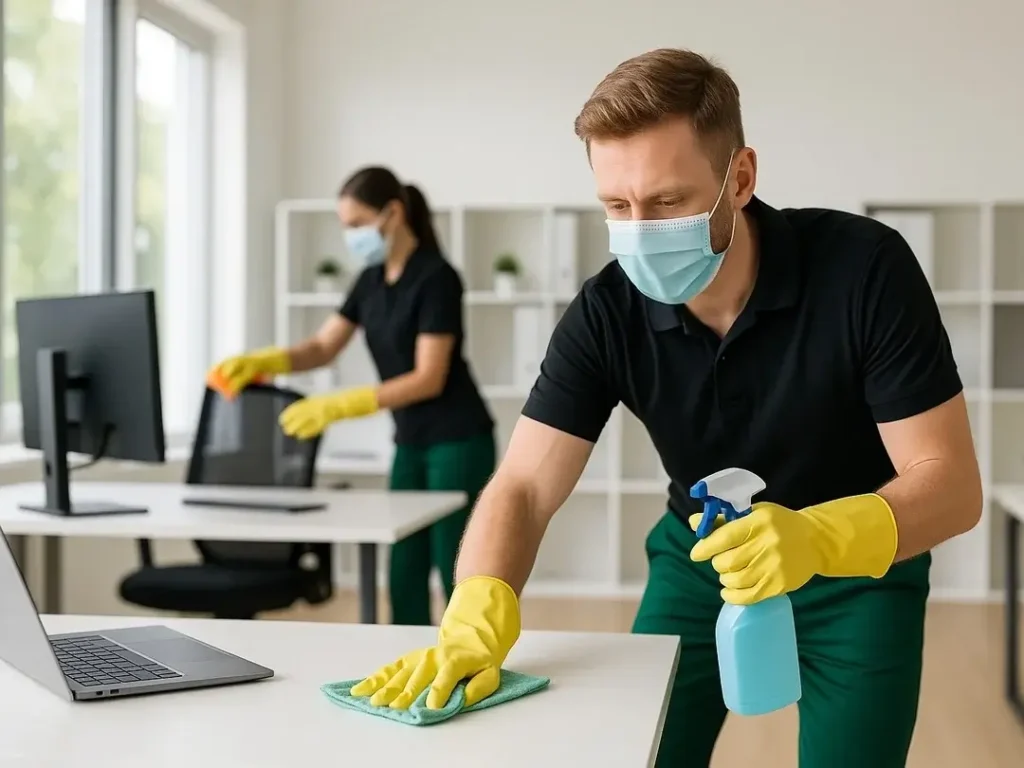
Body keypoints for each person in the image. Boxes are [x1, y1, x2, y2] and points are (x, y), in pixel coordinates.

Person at [347, 50, 984, 765]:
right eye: (617, 207)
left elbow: (951, 486)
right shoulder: (607, 311)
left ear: (739, 178)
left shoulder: (864, 268)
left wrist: (819, 539)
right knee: (644, 753)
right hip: (697, 560)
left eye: (668, 201)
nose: (639, 230)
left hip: (858, 572)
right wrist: (478, 602)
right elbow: (524, 486)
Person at [207, 166, 496, 626]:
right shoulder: (369, 281)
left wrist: (341, 405)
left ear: (393, 214)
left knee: (457, 570)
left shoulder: (437, 278)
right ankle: (410, 667)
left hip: (458, 441)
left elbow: (428, 378)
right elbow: (323, 347)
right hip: (410, 442)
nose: (351, 236)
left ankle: (469, 666)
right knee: (402, 569)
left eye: (357, 224)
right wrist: (264, 362)